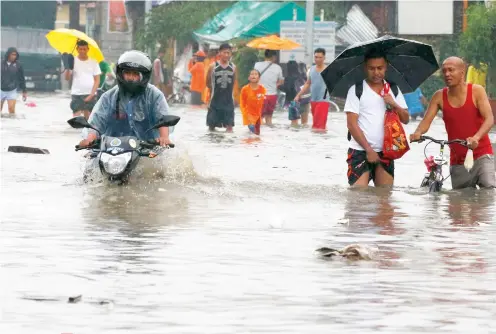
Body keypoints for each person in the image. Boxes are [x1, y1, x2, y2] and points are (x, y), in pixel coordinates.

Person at [410, 57, 495, 189]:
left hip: (481, 155)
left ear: (462, 72)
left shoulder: (477, 91)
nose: (447, 74)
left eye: (451, 70)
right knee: (459, 202)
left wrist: (476, 138)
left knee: (488, 192)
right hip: (457, 160)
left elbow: (489, 119)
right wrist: (417, 132)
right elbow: (425, 122)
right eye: (444, 71)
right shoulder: (439, 96)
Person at [79, 50, 173, 148]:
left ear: (144, 76)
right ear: (120, 73)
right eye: (127, 73)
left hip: (147, 149)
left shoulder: (154, 95)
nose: (131, 77)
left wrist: (164, 137)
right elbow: (96, 122)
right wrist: (89, 140)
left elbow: (162, 119)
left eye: (135, 74)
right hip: (112, 149)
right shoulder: (109, 97)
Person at [344, 49, 409, 187]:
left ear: (386, 67)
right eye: (371, 68)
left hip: (386, 151)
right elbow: (351, 124)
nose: (376, 72)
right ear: (365, 68)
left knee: (384, 198)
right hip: (360, 151)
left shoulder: (393, 89)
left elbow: (406, 119)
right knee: (358, 199)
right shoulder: (356, 90)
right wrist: (368, 150)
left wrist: (393, 104)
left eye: (380, 68)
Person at [294, 48, 330, 132]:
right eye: (316, 57)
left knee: (318, 126)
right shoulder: (311, 69)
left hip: (323, 100)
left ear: (324, 58)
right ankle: (319, 141)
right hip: (313, 100)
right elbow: (307, 83)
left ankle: (316, 142)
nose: (317, 59)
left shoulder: (329, 70)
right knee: (317, 124)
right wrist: (298, 95)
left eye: (320, 57)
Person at [64, 40, 101, 120]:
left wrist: (91, 94)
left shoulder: (93, 62)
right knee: (76, 119)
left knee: (89, 119)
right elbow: (67, 78)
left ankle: (87, 131)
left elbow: (97, 80)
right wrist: (67, 67)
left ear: (88, 49)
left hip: (90, 93)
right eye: (80, 49)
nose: (82, 51)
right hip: (76, 93)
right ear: (77, 49)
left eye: (84, 49)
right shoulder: (73, 61)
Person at [205, 43, 236, 132]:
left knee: (229, 128)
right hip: (215, 102)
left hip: (229, 102)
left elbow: (233, 83)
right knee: (211, 128)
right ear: (219, 53)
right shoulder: (212, 67)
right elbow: (207, 83)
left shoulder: (233, 67)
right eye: (224, 52)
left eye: (228, 53)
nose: (226, 55)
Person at [254, 50, 284, 126]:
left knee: (258, 118)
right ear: (273, 57)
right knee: (269, 119)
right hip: (272, 96)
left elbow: (254, 78)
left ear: (265, 56)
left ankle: (260, 135)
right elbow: (281, 82)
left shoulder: (257, 65)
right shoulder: (278, 67)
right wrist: (274, 85)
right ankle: (269, 134)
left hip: (260, 95)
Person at [281, 60, 310, 126]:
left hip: (293, 102)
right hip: (305, 100)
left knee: (294, 123)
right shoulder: (303, 76)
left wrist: (279, 86)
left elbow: (287, 89)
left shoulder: (288, 78)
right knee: (305, 123)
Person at [1, 47, 27, 115]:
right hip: (1, 89)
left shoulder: (18, 65)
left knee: (11, 110)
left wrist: (24, 91)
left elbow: (22, 78)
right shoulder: (1, 63)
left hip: (12, 90)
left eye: (15, 55)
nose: (13, 56)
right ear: (8, 54)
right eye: (12, 54)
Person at [240, 69, 266, 135]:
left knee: (257, 134)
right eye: (252, 74)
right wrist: (245, 115)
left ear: (259, 78)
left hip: (258, 115)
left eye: (255, 74)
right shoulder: (244, 89)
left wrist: (262, 116)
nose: (253, 75)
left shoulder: (262, 89)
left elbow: (263, 103)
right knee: (252, 128)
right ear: (249, 78)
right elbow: (242, 103)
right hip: (248, 114)